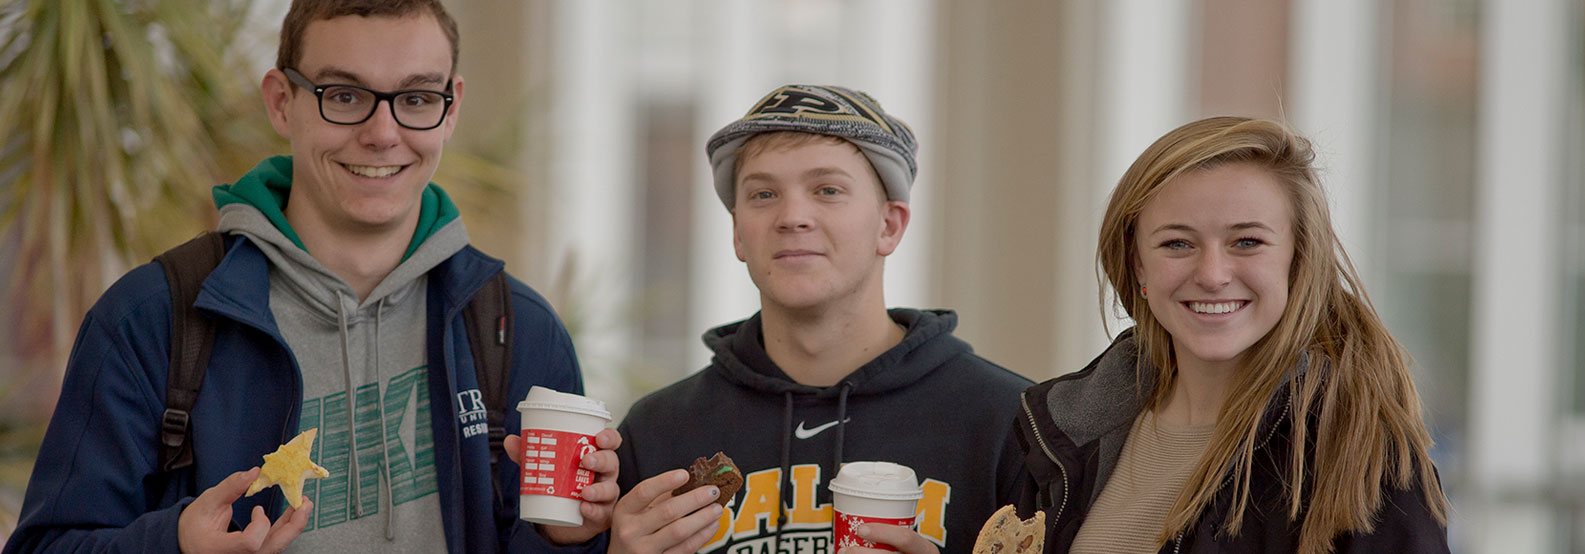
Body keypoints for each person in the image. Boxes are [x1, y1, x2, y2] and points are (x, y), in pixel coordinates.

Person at [3, 1, 619, 553]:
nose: (383, 134)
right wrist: (175, 545)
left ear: (450, 107)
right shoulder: (153, 319)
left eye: (416, 98)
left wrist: (570, 540)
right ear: (281, 101)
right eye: (344, 96)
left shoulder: (518, 330)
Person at [609, 84, 1034, 554]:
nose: (792, 216)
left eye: (827, 190)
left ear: (889, 226)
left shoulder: (1014, 423)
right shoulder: (657, 432)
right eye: (764, 193)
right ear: (737, 234)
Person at [1014, 116, 1451, 553]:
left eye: (1247, 242)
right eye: (1177, 244)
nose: (1212, 275)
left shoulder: (1363, 459)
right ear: (1137, 266)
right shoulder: (1056, 433)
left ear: (1299, 260)